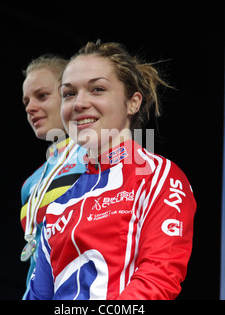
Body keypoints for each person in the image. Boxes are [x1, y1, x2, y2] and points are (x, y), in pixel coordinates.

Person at [25, 41, 197, 300]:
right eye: (69, 93)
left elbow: (158, 281)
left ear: (133, 102)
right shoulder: (57, 206)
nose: (79, 103)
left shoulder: (159, 177)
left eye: (97, 89)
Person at [19, 54, 86, 298]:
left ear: (70, 94)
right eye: (26, 100)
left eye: (42, 96)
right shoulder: (31, 184)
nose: (29, 107)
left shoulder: (97, 153)